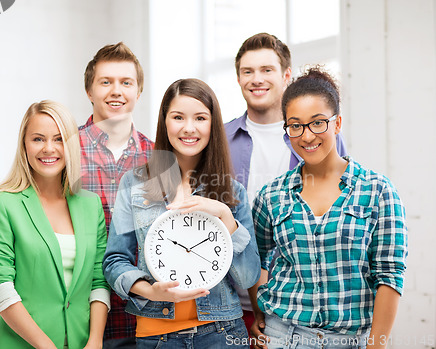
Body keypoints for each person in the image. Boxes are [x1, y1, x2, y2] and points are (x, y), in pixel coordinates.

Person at [250, 67, 408, 349]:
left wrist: (377, 344)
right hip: (281, 336)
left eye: (318, 122)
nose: (307, 136)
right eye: (295, 125)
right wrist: (259, 312)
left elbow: (390, 275)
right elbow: (256, 258)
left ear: (337, 124)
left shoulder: (378, 191)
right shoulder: (272, 194)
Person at [103, 78, 261, 348]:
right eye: (178, 117)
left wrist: (224, 215)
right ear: (165, 122)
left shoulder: (232, 192)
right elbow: (115, 261)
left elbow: (248, 277)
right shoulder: (135, 183)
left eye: (200, 118)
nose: (189, 128)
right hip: (156, 336)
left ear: (213, 124)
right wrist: (149, 291)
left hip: (222, 333)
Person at [224, 32, 348, 334]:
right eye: (247, 71)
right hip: (228, 302)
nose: (257, 79)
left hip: (297, 302)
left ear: (286, 75)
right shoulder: (220, 139)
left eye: (267, 70)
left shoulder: (319, 138)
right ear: (238, 78)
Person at [0, 100, 110, 348]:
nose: (48, 148)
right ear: (24, 145)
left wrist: (95, 340)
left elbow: (98, 281)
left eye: (59, 139)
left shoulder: (91, 205)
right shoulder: (1, 203)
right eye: (38, 139)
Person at [79, 42, 154, 348]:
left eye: (126, 82)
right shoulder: (64, 153)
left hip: (143, 318)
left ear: (138, 92)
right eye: (105, 82)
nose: (116, 91)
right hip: (79, 317)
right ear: (89, 90)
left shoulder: (159, 158)